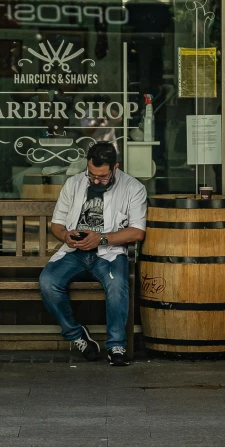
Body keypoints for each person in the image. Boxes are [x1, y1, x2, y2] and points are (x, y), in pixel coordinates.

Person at [39, 141, 147, 367]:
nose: (96, 181)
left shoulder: (133, 188)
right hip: (75, 251)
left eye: (102, 177)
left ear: (115, 167)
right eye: (92, 175)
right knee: (48, 281)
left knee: (117, 284)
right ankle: (77, 336)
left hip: (108, 252)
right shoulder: (73, 183)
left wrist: (102, 238)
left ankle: (116, 345)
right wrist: (65, 236)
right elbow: (57, 224)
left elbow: (137, 232)